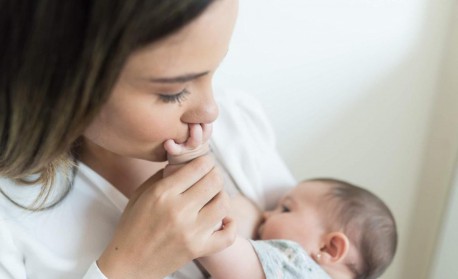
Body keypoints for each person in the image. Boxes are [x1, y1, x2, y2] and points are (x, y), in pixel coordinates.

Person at [0, 1, 296, 278]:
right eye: (173, 91)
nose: (211, 109)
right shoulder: (9, 221)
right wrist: (128, 268)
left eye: (213, 71)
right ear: (58, 78)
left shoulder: (238, 126)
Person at [165, 127, 397, 279]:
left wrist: (187, 159)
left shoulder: (293, 266)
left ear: (329, 248)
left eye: (285, 208)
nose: (266, 214)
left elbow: (210, 237)